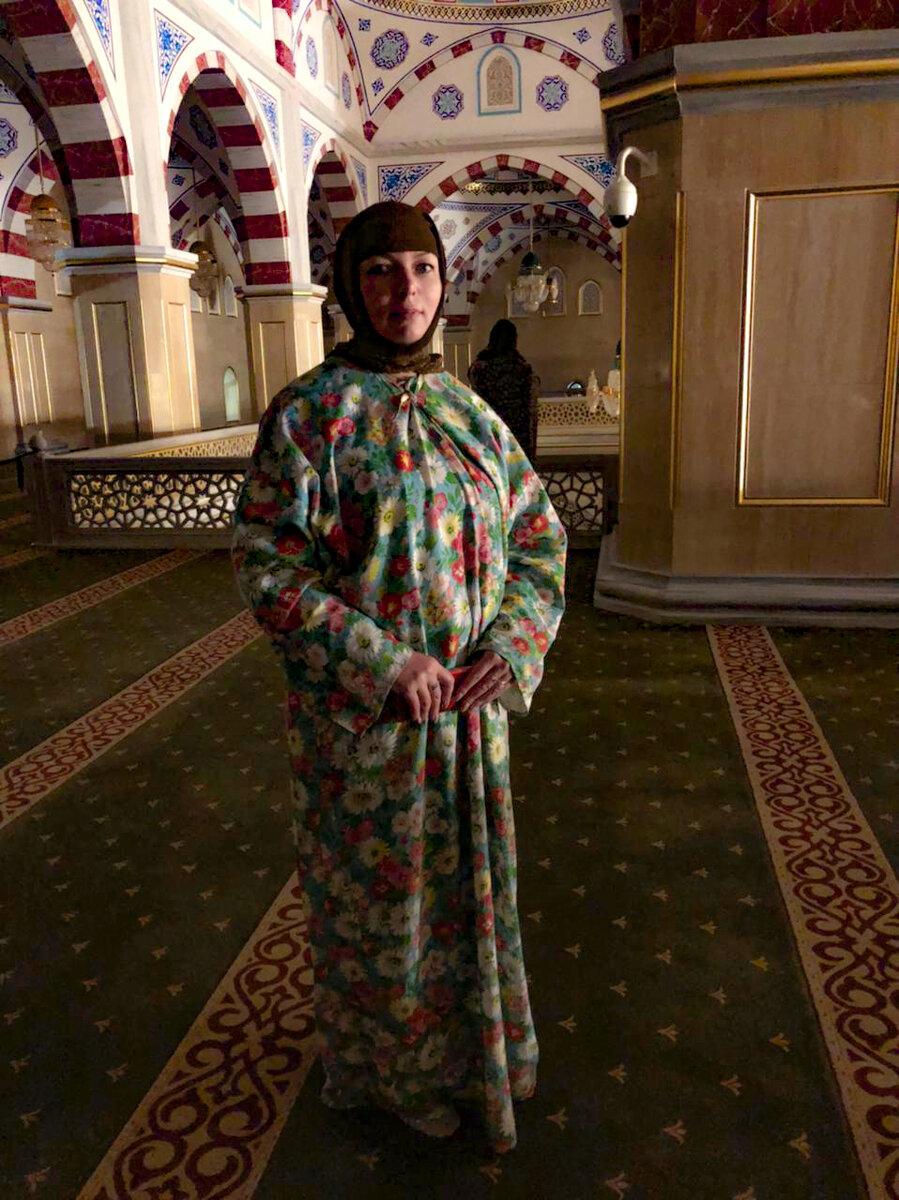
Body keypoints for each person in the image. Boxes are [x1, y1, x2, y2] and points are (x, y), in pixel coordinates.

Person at [232, 201, 567, 1154]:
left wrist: (510, 646)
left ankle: (475, 1063)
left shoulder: (467, 412)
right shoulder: (310, 414)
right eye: (380, 271)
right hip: (367, 733)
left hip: (468, 722)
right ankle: (394, 1076)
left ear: (441, 282)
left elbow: (538, 540)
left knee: (470, 897)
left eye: (420, 269)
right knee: (387, 912)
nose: (403, 291)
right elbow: (267, 567)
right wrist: (383, 663)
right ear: (352, 285)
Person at [467, 319, 540, 460]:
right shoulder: (522, 369)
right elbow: (531, 401)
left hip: (490, 430)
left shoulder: (480, 368)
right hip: (517, 433)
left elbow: (474, 385)